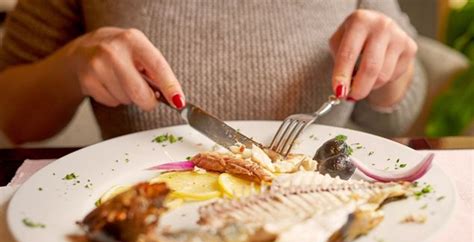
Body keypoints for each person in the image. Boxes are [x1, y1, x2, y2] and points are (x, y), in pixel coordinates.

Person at [0, 0, 426, 144]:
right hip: (143, 219)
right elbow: (12, 118)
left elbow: (397, 112)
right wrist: (74, 63)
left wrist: (389, 71)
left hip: (324, 211)